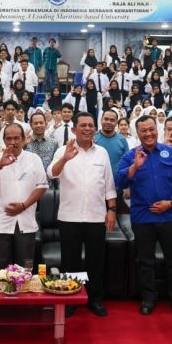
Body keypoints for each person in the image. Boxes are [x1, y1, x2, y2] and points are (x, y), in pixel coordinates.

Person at [116, 116, 172, 317]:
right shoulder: (131, 155)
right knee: (145, 261)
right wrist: (134, 167)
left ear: (157, 129)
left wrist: (171, 202)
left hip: (171, 216)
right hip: (143, 218)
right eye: (143, 131)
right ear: (137, 133)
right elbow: (119, 181)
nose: (148, 133)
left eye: (151, 129)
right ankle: (148, 298)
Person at [48, 112, 117, 316]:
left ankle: (95, 298)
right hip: (69, 216)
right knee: (71, 260)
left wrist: (111, 210)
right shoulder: (63, 150)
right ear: (74, 129)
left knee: (96, 259)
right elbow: (51, 173)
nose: (87, 128)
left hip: (96, 216)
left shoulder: (102, 152)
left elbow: (109, 185)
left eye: (91, 125)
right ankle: (71, 298)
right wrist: (65, 159)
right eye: (83, 125)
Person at [0, 124, 48, 273]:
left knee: (24, 271)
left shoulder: (34, 159)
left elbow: (42, 186)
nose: (13, 142)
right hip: (0, 222)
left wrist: (23, 205)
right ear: (3, 140)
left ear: (24, 139)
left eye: (17, 138)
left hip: (25, 222)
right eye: (9, 139)